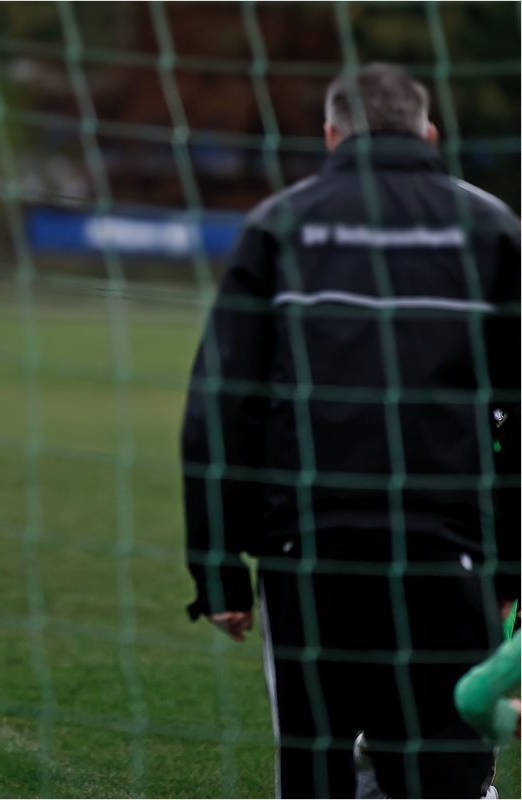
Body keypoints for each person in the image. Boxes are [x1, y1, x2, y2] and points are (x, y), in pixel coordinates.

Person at [180, 62, 520, 798]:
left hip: (307, 554)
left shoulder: (278, 222)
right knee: (444, 768)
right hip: (450, 554)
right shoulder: (493, 226)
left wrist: (216, 568)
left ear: (331, 136)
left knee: (317, 767)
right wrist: (511, 564)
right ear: (429, 133)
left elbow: (221, 404)